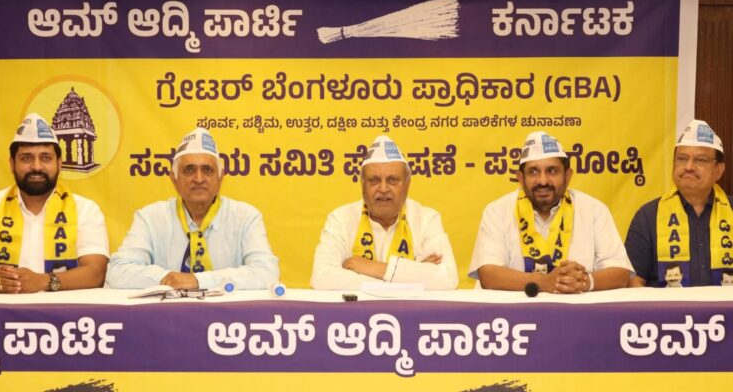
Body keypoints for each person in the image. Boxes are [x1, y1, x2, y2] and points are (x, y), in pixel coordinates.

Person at [106, 128, 279, 289]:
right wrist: (168, 278)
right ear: (173, 178)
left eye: (207, 170)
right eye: (189, 170)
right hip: (167, 311)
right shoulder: (150, 217)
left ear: (220, 177)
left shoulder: (246, 217)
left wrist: (199, 280)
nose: (199, 178)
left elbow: (267, 272)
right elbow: (117, 271)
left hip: (226, 312)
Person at [468, 131, 632, 293]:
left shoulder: (593, 209)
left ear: (567, 176)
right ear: (520, 178)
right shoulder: (497, 211)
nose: (543, 180)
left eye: (552, 171)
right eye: (533, 172)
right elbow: (488, 275)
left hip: (576, 307)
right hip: (513, 310)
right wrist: (543, 282)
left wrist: (584, 282)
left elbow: (621, 272)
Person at [311, 135, 458, 290]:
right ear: (362, 184)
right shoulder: (341, 219)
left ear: (407, 184)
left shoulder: (427, 219)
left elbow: (448, 279)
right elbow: (322, 278)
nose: (383, 189)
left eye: (392, 180)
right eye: (374, 180)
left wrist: (374, 268)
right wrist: (411, 275)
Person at [0, 113, 109, 293]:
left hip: (65, 311)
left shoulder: (85, 209)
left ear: (59, 163)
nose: (36, 166)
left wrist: (44, 281)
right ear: (12, 164)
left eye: (46, 158)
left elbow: (95, 274)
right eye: (26, 158)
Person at [625, 120, 733, 287]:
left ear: (718, 170)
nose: (688, 166)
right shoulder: (648, 216)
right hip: (663, 305)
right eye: (682, 159)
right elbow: (633, 281)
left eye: (700, 160)